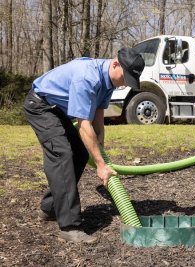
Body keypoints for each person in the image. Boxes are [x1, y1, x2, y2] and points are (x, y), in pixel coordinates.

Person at [23, 48, 145, 243]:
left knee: (79, 154)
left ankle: (50, 208)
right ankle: (69, 226)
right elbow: (83, 123)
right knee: (61, 154)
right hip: (41, 106)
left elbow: (97, 112)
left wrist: (101, 148)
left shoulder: (109, 80)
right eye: (125, 77)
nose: (124, 83)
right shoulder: (87, 78)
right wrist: (101, 165)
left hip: (57, 110)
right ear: (115, 64)